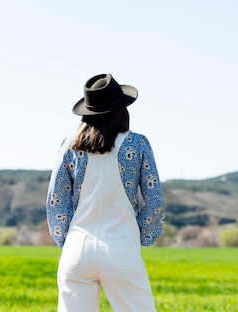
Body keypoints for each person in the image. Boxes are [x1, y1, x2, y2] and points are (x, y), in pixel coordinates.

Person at [46, 73, 166, 312]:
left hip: (76, 250)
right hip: (121, 248)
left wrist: (66, 239)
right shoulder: (138, 143)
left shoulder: (69, 146)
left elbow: (56, 201)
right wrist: (140, 237)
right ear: (122, 110)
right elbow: (154, 201)